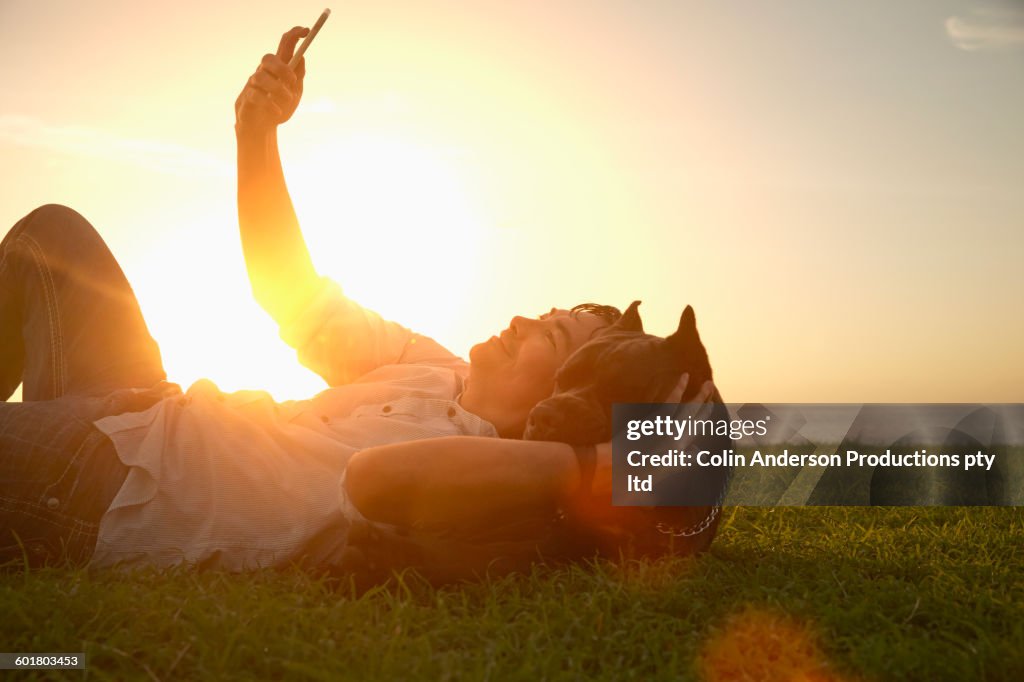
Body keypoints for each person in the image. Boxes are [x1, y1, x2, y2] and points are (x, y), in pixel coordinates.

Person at [0, 27, 716, 578]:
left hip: (106, 482)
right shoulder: (434, 366)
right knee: (50, 237)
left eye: (553, 338)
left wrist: (609, 463)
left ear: (557, 408)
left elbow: (379, 481)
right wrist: (257, 133)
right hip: (144, 406)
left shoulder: (492, 475)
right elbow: (293, 295)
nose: (526, 319)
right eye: (548, 311)